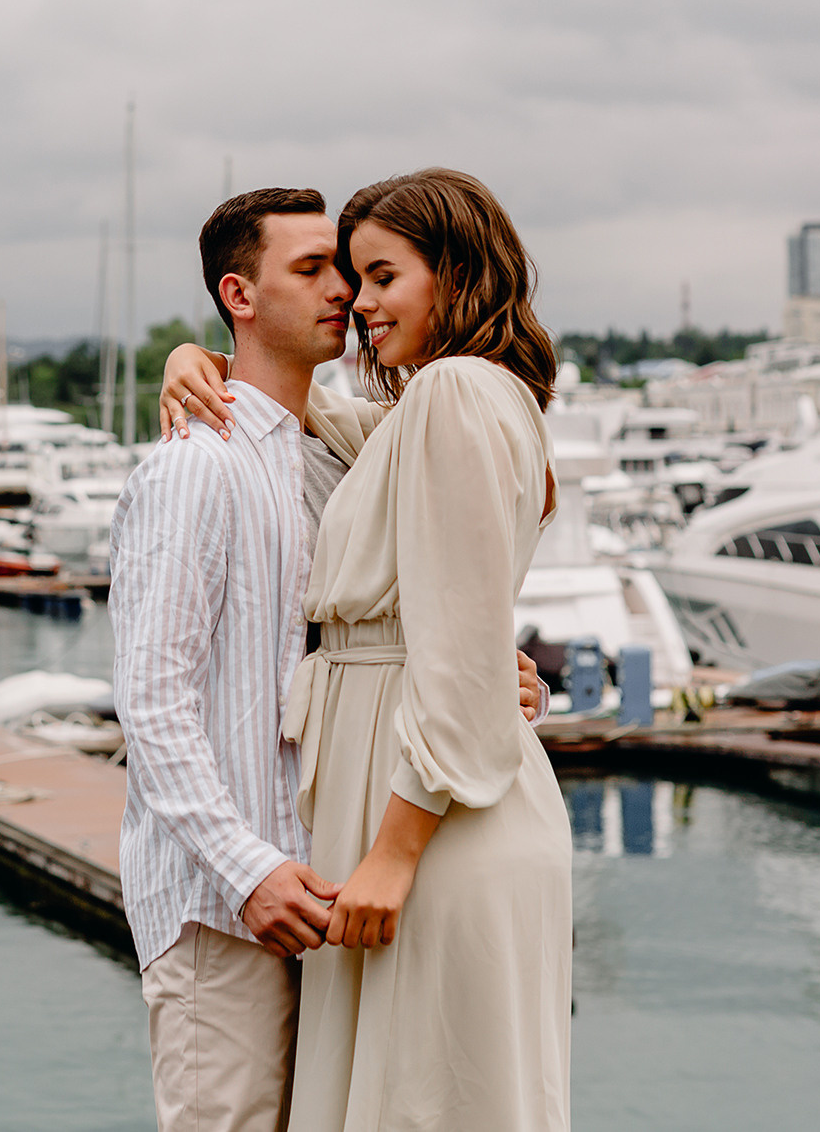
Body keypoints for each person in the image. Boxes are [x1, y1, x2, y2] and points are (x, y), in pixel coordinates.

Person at [112, 186, 546, 1132]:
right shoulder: (197, 464)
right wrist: (249, 873)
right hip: (228, 903)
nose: (345, 290)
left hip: (332, 883)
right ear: (238, 294)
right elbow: (151, 706)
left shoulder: (339, 450)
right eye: (313, 269)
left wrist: (495, 671)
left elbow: (447, 582)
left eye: (353, 271)